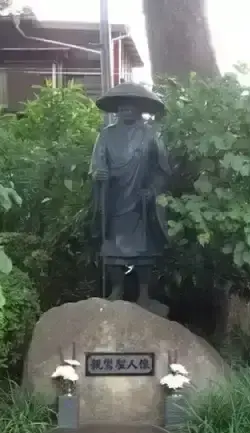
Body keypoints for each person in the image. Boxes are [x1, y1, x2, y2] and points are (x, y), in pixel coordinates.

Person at [89, 83, 171, 308]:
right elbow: (96, 165)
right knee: (113, 246)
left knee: (144, 248)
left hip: (141, 202)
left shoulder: (151, 135)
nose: (126, 109)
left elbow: (162, 170)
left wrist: (152, 190)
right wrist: (99, 174)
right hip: (114, 199)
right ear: (116, 109)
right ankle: (117, 289)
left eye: (131, 106)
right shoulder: (106, 135)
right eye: (121, 106)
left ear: (140, 108)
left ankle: (144, 293)